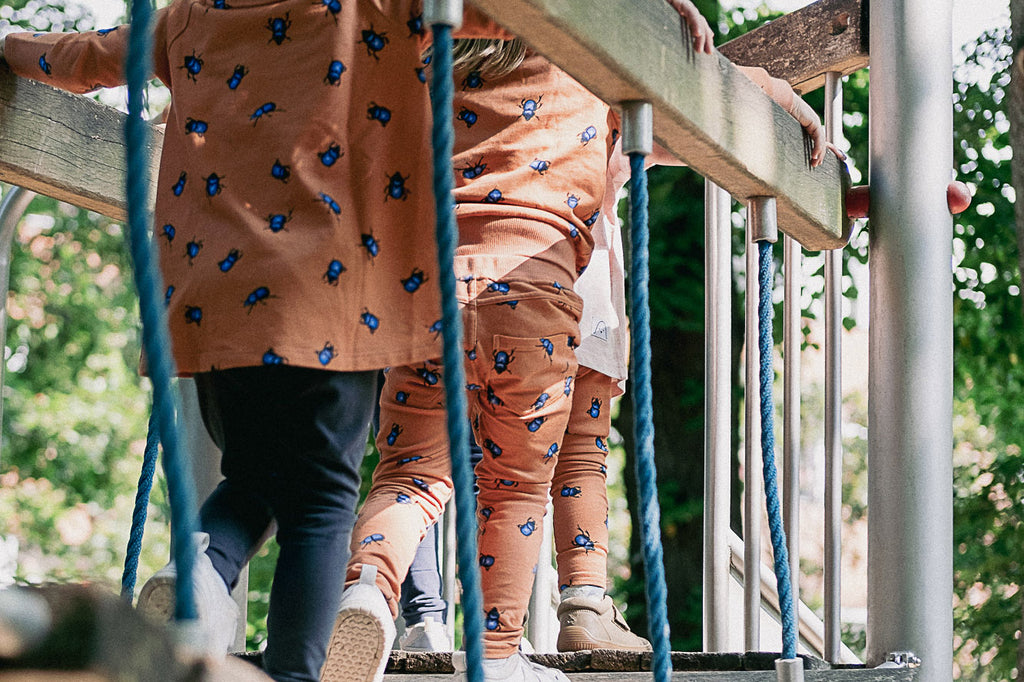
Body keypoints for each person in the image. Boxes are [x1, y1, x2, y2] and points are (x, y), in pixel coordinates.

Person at [0, 3, 505, 680]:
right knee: (321, 495)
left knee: (259, 474)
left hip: (218, 301)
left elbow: (88, 58)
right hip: (329, 301)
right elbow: (522, 19)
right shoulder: (378, 6)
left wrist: (7, 43)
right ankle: (291, 670)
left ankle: (203, 571)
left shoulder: (189, 17)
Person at [390, 6, 844, 655]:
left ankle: (411, 608)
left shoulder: (433, 64)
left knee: (430, 462)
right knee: (573, 455)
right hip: (575, 283)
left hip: (442, 279)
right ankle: (575, 604)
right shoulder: (586, 69)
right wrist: (769, 94)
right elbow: (680, 115)